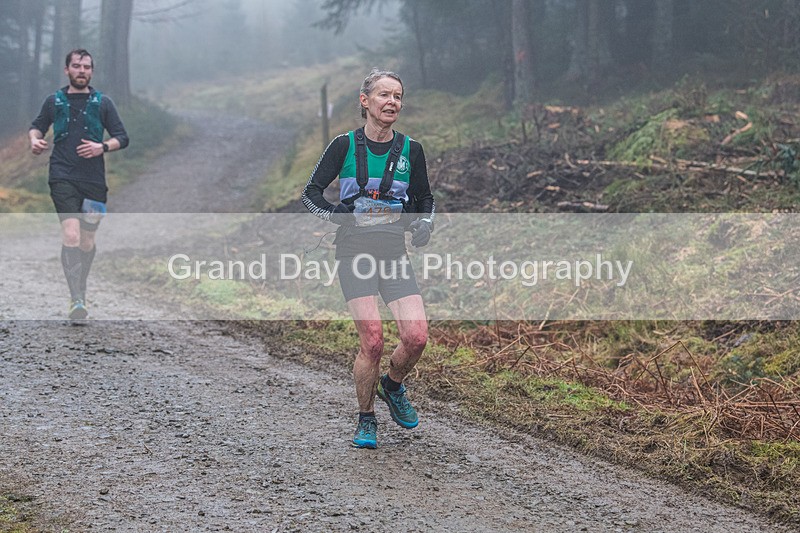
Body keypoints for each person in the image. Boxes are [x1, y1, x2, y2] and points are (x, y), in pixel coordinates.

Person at [302, 68, 435, 449]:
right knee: (373, 342)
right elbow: (310, 193)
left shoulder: (412, 150)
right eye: (384, 95)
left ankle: (392, 386)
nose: (392, 102)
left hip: (394, 252)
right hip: (354, 253)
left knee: (416, 337)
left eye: (397, 96)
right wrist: (336, 214)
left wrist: (424, 223)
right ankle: (366, 419)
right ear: (365, 102)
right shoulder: (343, 146)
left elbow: (425, 200)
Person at [29, 49, 129, 320]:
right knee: (71, 235)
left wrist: (103, 146)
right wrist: (35, 140)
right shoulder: (54, 101)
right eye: (76, 66)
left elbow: (123, 136)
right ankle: (77, 299)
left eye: (86, 67)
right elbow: (37, 126)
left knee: (87, 241)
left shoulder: (103, 102)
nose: (81, 70)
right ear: (67, 70)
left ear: (92, 72)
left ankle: (80, 288)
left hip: (94, 180)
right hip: (61, 175)